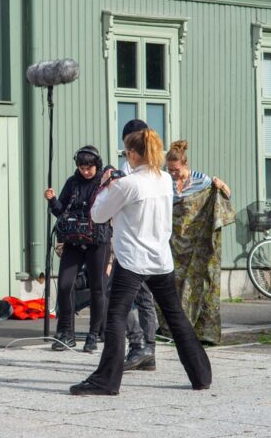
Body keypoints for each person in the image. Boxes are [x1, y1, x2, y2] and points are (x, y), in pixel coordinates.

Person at [70, 129, 212, 396]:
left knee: (116, 318)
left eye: (126, 152)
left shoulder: (128, 184)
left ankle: (106, 381)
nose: (126, 156)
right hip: (160, 258)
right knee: (175, 315)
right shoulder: (162, 180)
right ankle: (201, 374)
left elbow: (98, 215)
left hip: (133, 260)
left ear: (134, 154)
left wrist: (105, 186)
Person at [163, 140, 235, 344]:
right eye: (169, 170)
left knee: (201, 283)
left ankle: (203, 332)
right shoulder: (165, 181)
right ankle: (172, 330)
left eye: (175, 170)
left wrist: (221, 186)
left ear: (185, 165)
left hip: (197, 242)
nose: (172, 173)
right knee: (172, 283)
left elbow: (226, 196)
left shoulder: (201, 180)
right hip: (172, 242)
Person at [45, 145, 112, 353]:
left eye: (89, 168)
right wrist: (52, 200)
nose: (86, 171)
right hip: (73, 240)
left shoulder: (104, 181)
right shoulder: (72, 183)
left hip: (97, 240)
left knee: (98, 287)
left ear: (96, 165)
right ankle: (66, 333)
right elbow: (60, 211)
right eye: (82, 168)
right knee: (65, 284)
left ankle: (93, 335)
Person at [117, 119, 159, 372]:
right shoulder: (158, 174)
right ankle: (148, 351)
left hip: (135, 245)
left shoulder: (135, 173)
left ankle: (139, 346)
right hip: (152, 246)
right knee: (144, 298)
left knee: (119, 298)